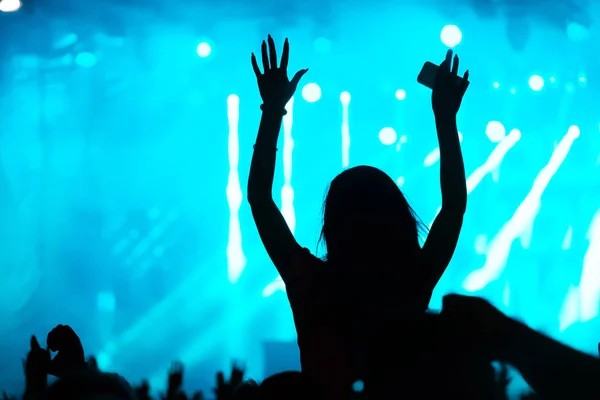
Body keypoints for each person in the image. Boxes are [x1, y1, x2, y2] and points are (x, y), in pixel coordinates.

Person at [248, 35, 469, 397]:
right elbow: (454, 207)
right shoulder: (413, 281)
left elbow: (260, 199)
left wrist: (272, 109)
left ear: (332, 224)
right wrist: (445, 117)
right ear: (400, 220)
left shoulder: (311, 283)